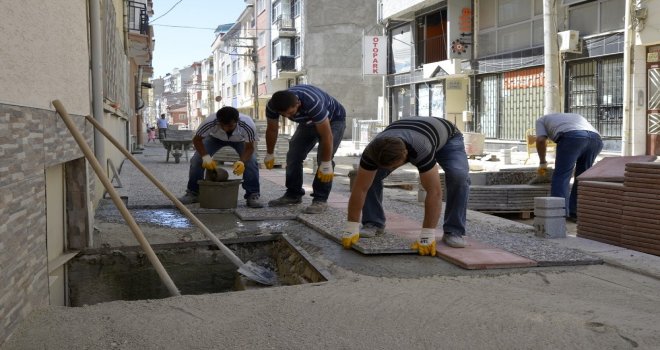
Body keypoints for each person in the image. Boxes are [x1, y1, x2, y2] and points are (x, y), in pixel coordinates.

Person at [342, 116, 470, 255]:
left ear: (405, 155)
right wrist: (351, 226)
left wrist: (427, 234)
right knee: (372, 176)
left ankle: (454, 231)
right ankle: (373, 222)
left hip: (448, 139)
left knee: (459, 176)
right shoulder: (372, 151)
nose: (390, 168)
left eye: (393, 166)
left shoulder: (420, 149)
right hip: (412, 133)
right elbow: (360, 188)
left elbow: (434, 192)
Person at [264, 84, 346, 214]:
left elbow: (326, 136)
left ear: (298, 103)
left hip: (333, 120)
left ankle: (320, 199)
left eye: (290, 113)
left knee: (324, 159)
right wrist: (269, 153)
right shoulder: (272, 106)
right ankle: (293, 194)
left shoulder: (312, 102)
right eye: (283, 114)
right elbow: (272, 129)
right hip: (307, 122)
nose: (287, 116)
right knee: (293, 155)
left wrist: (326, 163)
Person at [179, 106, 263, 208]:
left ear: (237, 121)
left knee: (251, 162)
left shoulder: (247, 124)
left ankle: (253, 195)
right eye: (223, 125)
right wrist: (206, 157)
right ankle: (193, 193)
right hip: (215, 138)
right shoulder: (211, 121)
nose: (226, 128)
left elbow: (250, 148)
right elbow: (197, 140)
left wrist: (241, 162)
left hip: (239, 140)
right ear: (218, 121)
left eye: (230, 126)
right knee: (196, 160)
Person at [535, 112, 603, 220]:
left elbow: (540, 140)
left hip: (572, 138)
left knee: (561, 176)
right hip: (596, 139)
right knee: (581, 177)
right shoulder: (575, 116)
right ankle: (574, 212)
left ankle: (558, 214)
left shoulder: (541, 120)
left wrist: (542, 162)